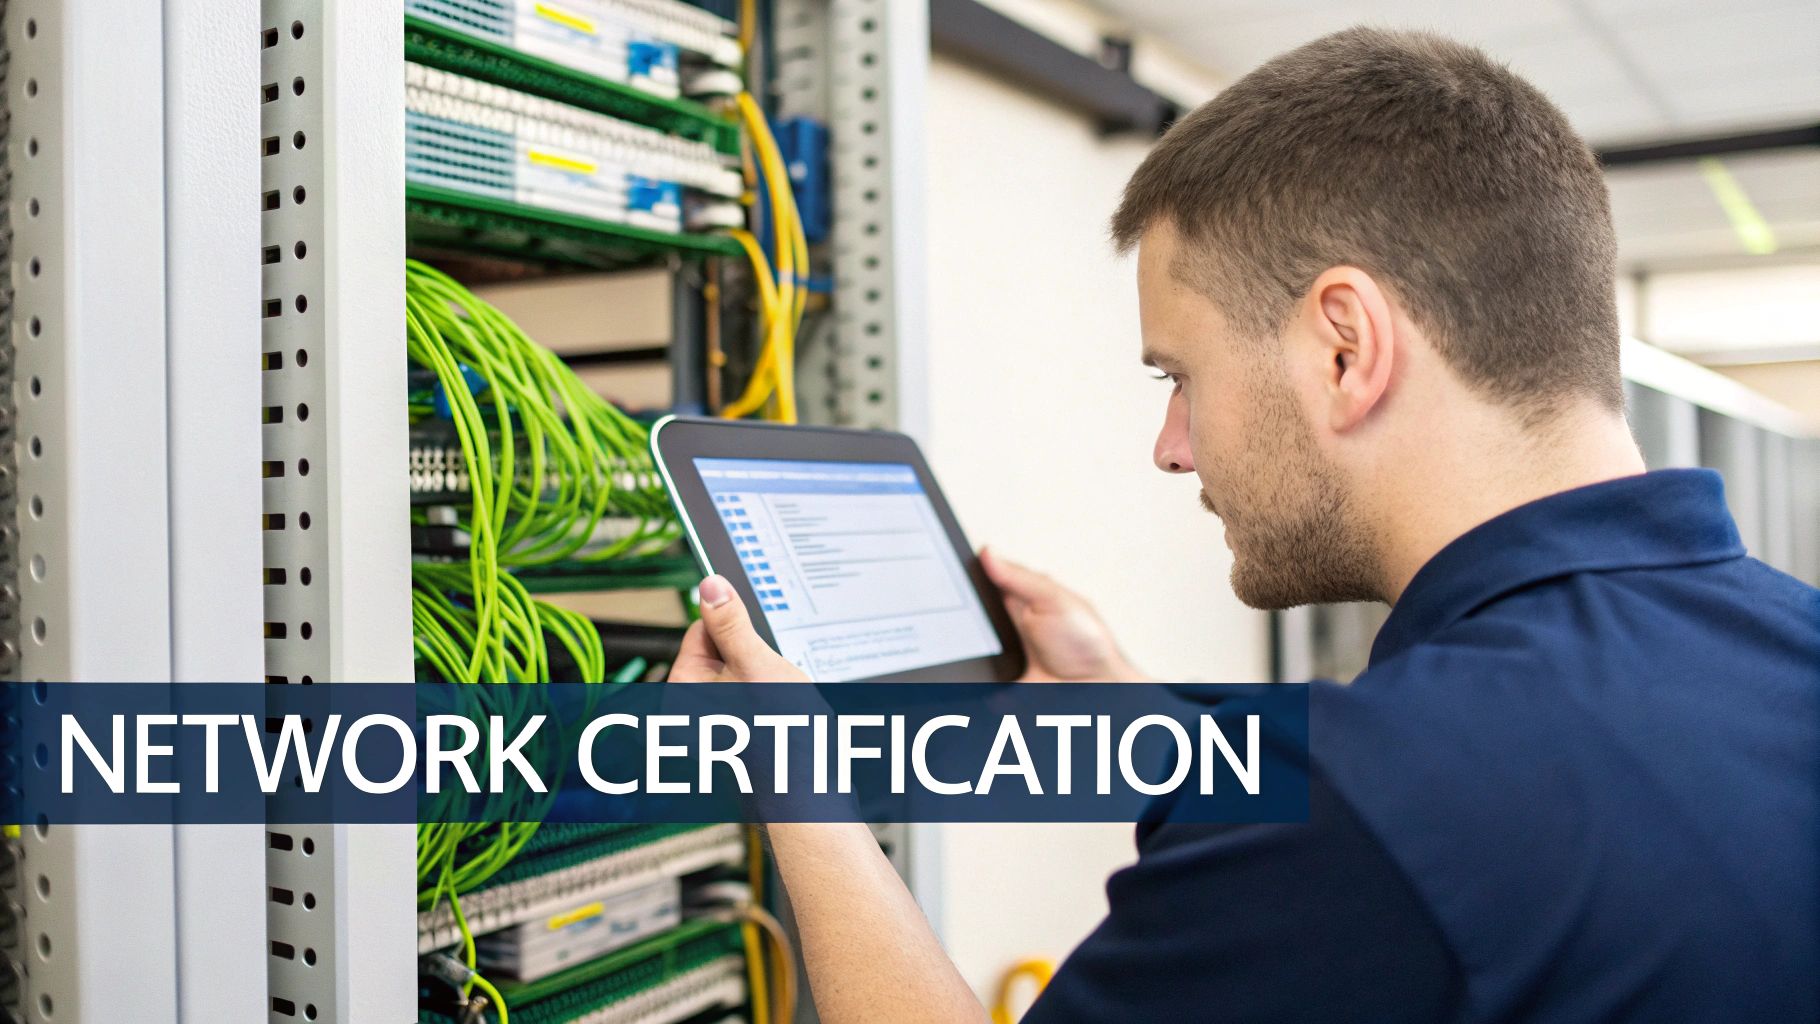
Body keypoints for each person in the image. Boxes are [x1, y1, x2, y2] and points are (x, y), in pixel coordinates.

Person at [669, 26, 1820, 1023]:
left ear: (1343, 347)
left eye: (1179, 374)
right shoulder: (1785, 643)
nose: (1171, 444)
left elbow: (1384, 819)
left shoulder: (1360, 798)